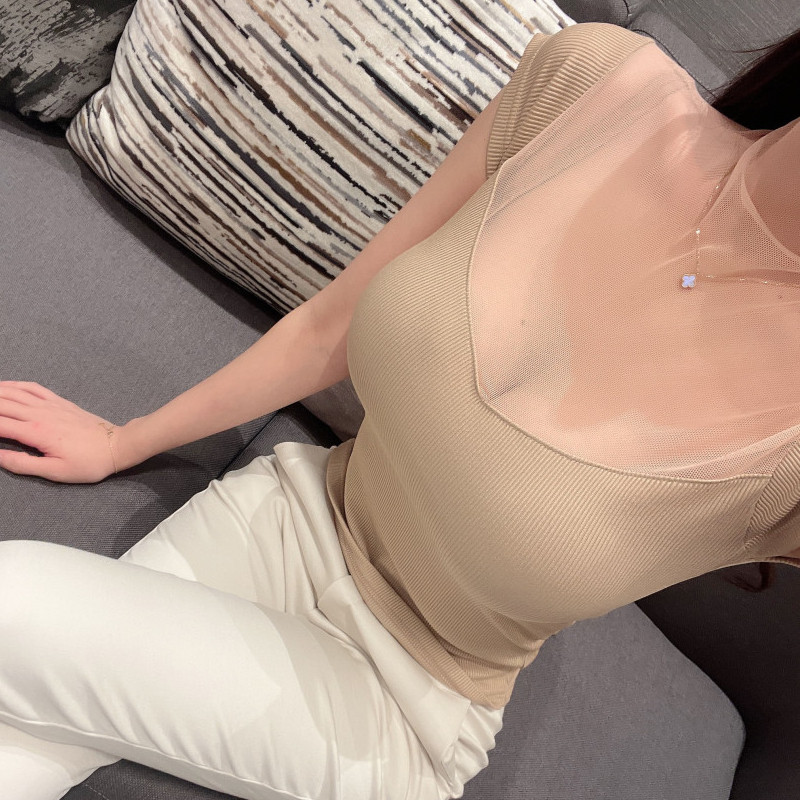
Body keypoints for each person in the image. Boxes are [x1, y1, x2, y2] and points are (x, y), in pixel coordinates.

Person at [1, 19, 799, 800]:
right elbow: (329, 325)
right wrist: (122, 441)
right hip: (282, 519)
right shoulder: (592, 84)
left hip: (399, 707)